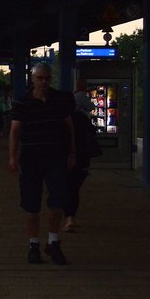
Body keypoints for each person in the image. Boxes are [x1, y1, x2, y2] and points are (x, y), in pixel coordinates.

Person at [8, 63, 75, 265]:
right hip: (31, 159)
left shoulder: (61, 100)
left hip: (56, 157)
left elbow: (70, 128)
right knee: (31, 205)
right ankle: (34, 245)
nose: (44, 82)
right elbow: (15, 131)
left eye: (47, 78)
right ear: (33, 79)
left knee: (57, 201)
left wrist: (73, 152)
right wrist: (12, 157)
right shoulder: (22, 102)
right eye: (40, 78)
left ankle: (53, 242)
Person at [63, 79, 97, 233]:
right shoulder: (82, 119)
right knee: (74, 189)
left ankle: (67, 217)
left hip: (62, 159)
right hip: (81, 159)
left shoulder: (59, 120)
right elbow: (90, 138)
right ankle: (70, 217)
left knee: (66, 188)